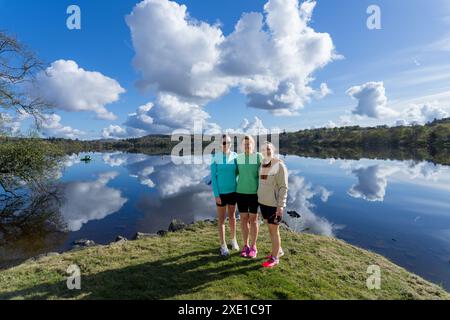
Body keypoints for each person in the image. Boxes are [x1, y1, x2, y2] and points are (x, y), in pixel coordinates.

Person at [258, 142, 288, 268]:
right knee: (270, 230)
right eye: (264, 150)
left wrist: (280, 205)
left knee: (274, 231)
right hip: (263, 203)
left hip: (273, 205)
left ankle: (275, 258)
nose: (266, 151)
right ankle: (278, 250)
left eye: (269, 149)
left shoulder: (279, 165)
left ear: (273, 150)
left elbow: (283, 187)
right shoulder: (263, 164)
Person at [210, 134, 239, 256]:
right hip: (221, 194)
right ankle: (223, 245)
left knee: (232, 217)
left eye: (228, 142)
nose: (226, 145)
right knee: (221, 220)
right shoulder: (215, 157)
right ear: (220, 144)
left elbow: (239, 172)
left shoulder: (236, 156)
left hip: (233, 192)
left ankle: (233, 240)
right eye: (223, 143)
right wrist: (216, 195)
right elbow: (213, 177)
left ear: (231, 144)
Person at [236, 135, 262, 259]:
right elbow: (233, 172)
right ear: (242, 146)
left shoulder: (258, 157)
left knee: (254, 220)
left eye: (249, 143)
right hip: (240, 193)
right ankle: (245, 245)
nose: (247, 146)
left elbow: (267, 166)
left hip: (254, 194)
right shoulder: (238, 158)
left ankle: (253, 246)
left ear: (253, 145)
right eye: (245, 144)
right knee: (243, 219)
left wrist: (277, 162)